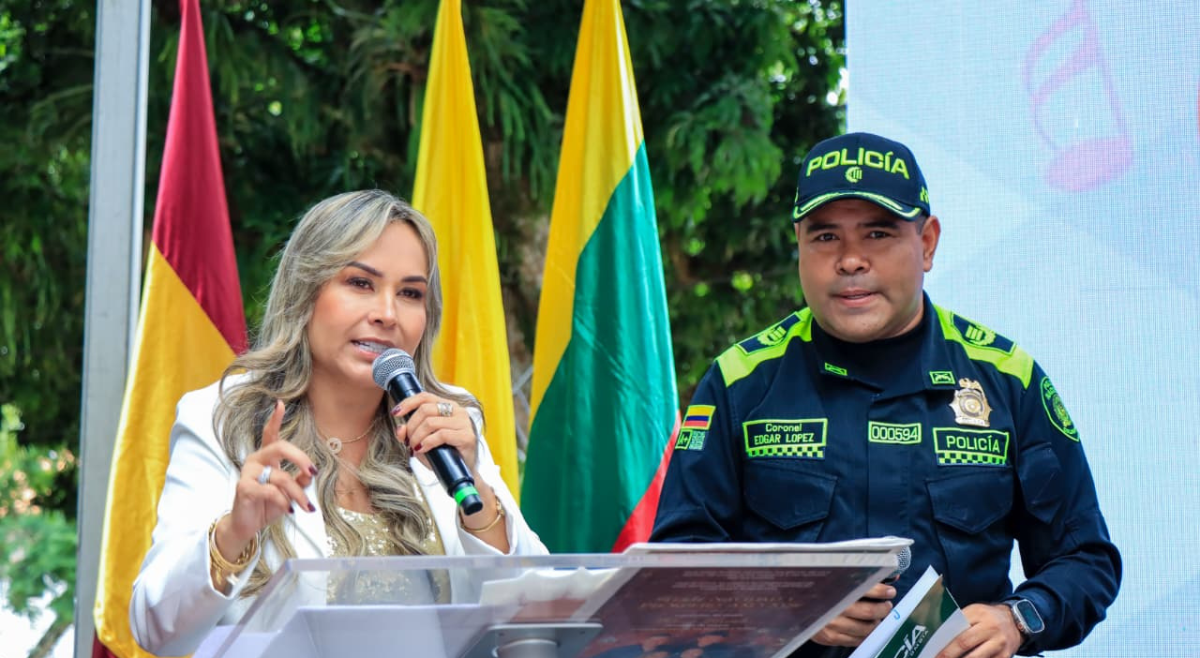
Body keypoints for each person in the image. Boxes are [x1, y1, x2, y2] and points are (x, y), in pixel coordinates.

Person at [651, 133, 1121, 658]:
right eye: (825, 237)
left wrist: (1018, 618)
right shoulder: (739, 383)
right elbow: (675, 572)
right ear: (799, 246)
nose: (851, 260)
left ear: (927, 243)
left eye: (878, 233)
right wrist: (786, 606)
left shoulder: (1008, 380)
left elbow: (1086, 559)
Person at [130, 190, 547, 656]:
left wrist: (480, 496)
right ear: (306, 292)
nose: (387, 314)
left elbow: (538, 613)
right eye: (360, 284)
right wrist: (235, 531)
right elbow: (156, 629)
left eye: (410, 293)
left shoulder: (447, 420)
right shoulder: (223, 416)